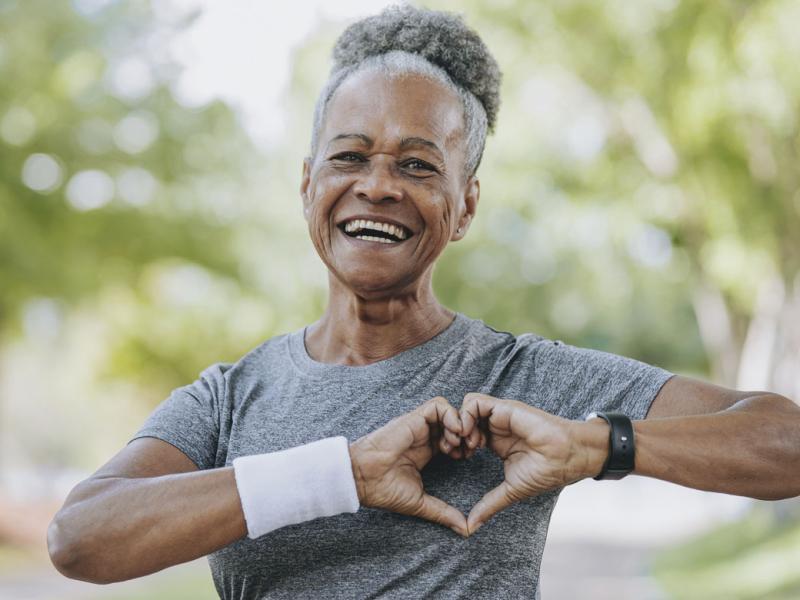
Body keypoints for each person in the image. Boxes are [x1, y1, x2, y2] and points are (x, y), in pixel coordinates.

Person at [47, 5, 800, 599]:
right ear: (307, 183)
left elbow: (782, 442)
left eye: (417, 164)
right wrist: (341, 472)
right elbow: (80, 537)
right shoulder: (230, 398)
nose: (378, 185)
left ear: (464, 206)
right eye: (350, 155)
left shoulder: (527, 379)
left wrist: (597, 445)